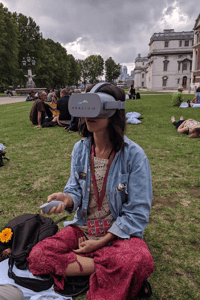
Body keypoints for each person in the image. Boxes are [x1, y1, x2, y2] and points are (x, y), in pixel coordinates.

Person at [27, 84, 154, 299]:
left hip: (118, 236)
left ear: (114, 111)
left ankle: (101, 261)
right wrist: (67, 199)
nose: (90, 115)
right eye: (86, 108)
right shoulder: (80, 149)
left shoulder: (134, 155)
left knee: (141, 259)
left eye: (97, 107)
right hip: (84, 229)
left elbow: (138, 212)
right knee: (38, 256)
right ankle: (107, 266)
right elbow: (74, 190)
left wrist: (101, 242)